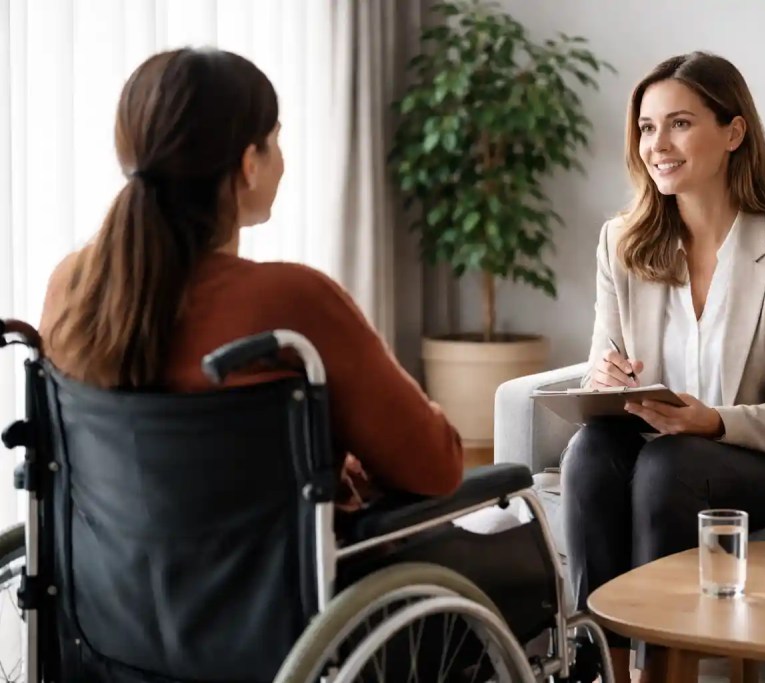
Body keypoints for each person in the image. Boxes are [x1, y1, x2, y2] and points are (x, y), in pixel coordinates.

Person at [38, 48, 462, 508]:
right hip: (275, 580)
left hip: (108, 576)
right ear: (249, 164)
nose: (281, 161)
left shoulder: (71, 286)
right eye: (275, 140)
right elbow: (435, 467)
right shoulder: (292, 302)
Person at [562, 52, 765, 682]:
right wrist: (604, 382)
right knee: (591, 450)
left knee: (670, 464)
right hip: (659, 449)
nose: (657, 145)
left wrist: (711, 423)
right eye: (645, 127)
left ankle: (659, 671)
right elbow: (599, 367)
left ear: (733, 132)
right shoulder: (622, 241)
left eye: (679, 124)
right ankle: (599, 670)